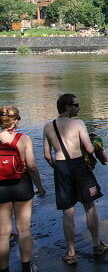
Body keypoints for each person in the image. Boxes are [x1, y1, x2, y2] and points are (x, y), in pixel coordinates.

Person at [43, 94, 108, 266]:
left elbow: (46, 155)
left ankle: (71, 253)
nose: (79, 108)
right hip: (79, 166)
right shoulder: (78, 124)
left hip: (61, 167)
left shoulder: (48, 126)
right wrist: (97, 143)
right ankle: (96, 245)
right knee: (89, 206)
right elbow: (89, 148)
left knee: (68, 211)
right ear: (67, 107)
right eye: (76, 105)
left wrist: (57, 169)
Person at [0, 107, 45, 272]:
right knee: (24, 229)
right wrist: (40, 187)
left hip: (1, 188)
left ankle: (4, 269)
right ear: (16, 121)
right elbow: (32, 167)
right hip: (21, 184)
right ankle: (27, 268)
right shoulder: (24, 139)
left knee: (3, 233)